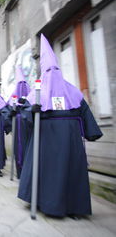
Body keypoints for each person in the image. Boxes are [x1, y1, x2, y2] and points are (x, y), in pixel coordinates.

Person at [18, 34, 103, 217]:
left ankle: (74, 207)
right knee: (51, 172)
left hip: (67, 139)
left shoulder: (71, 90)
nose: (53, 73)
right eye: (49, 70)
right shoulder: (38, 93)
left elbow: (84, 112)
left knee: (68, 171)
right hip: (47, 138)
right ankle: (49, 204)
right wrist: (33, 110)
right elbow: (25, 115)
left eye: (55, 69)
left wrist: (91, 132)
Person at [7, 65, 31, 178]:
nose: (22, 87)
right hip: (18, 126)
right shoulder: (13, 97)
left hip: (30, 127)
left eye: (23, 84)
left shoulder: (32, 95)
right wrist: (12, 113)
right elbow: (6, 111)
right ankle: (20, 172)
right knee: (19, 148)